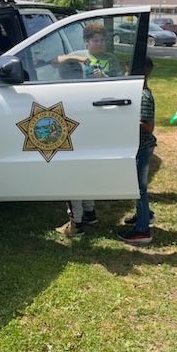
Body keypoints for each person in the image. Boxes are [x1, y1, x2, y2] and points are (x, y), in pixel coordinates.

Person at [56, 23, 122, 237]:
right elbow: (56, 61)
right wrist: (77, 59)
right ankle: (88, 211)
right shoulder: (79, 54)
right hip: (78, 113)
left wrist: (107, 80)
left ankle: (78, 220)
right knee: (79, 164)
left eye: (102, 40)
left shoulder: (110, 60)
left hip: (99, 116)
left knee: (79, 166)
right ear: (86, 42)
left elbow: (121, 84)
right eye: (95, 40)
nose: (99, 43)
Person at [117, 57, 157, 245]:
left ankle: (142, 231)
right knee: (137, 187)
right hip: (138, 147)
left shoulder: (143, 96)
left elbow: (149, 127)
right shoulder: (137, 94)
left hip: (142, 147)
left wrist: (128, 121)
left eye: (127, 70)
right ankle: (144, 215)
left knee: (139, 189)